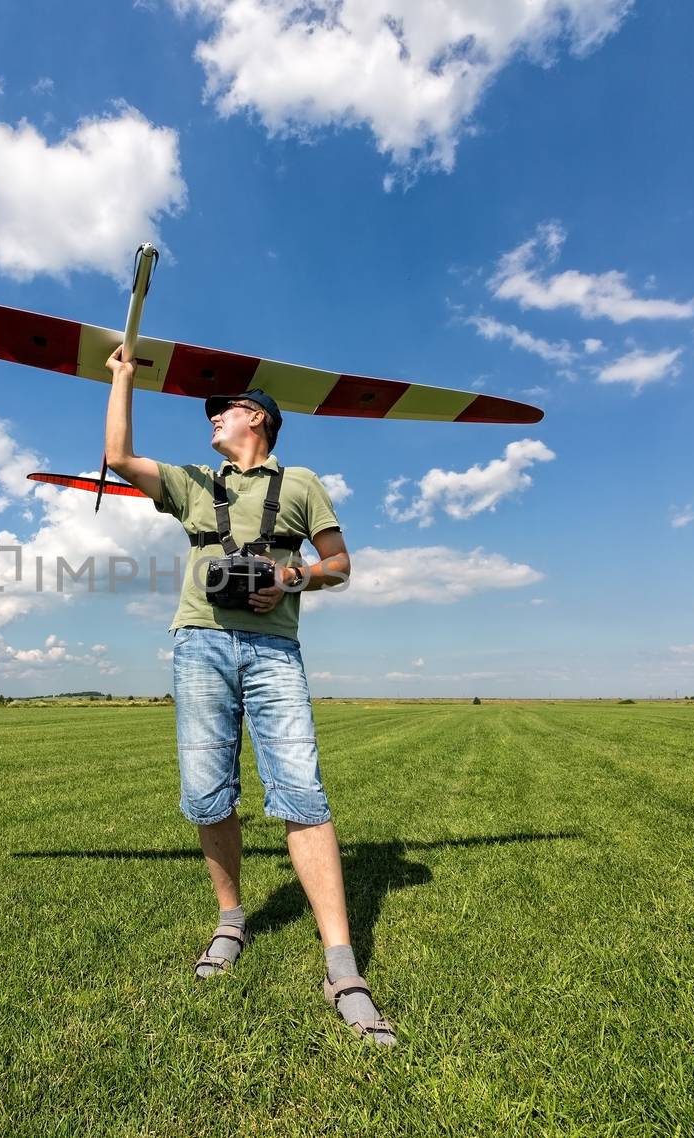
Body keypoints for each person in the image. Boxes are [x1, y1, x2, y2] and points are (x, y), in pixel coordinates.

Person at [102, 346, 396, 1047]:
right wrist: (121, 377)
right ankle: (232, 920)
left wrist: (287, 580)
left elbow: (340, 564)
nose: (211, 419)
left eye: (222, 409)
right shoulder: (194, 483)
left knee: (302, 791)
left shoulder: (300, 484)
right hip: (199, 644)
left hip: (274, 651)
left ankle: (342, 966)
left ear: (255, 418)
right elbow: (117, 456)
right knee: (208, 792)